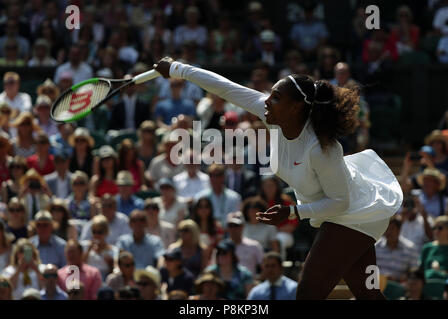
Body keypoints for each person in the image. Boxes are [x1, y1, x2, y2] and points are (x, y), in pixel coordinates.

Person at [153, 56, 402, 300]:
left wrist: (292, 212)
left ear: (296, 107)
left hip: (355, 212)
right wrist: (178, 69)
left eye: (276, 97)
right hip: (341, 212)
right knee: (367, 294)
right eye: (270, 95)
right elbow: (227, 88)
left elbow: (341, 202)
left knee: (307, 293)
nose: (267, 102)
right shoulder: (272, 115)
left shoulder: (321, 148)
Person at [194, 164, 242, 228]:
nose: (215, 178)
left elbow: (237, 220)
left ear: (223, 177)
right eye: (212, 175)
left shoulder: (235, 197)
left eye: (218, 175)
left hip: (228, 233)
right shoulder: (200, 197)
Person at [375, 216, 420, 282]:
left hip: (399, 287)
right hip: (376, 285)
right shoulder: (376, 247)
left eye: (392, 229)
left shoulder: (410, 249)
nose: (388, 232)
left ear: (399, 230)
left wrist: (397, 279)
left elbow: (413, 272)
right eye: (386, 229)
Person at [224, 211, 264, 275]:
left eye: (236, 226)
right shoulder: (222, 246)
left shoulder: (254, 246)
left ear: (243, 227)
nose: (233, 229)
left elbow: (265, 267)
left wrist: (257, 281)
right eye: (231, 226)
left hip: (249, 283)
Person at [81, 214, 118, 280]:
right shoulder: (85, 246)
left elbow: (115, 271)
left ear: (106, 232)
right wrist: (88, 250)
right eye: (94, 231)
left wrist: (110, 264)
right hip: (88, 278)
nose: (96, 235)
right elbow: (79, 266)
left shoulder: (114, 250)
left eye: (99, 232)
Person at [420, 215, 448, 281]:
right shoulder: (427, 248)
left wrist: (440, 272)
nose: (436, 231)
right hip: (426, 284)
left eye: (440, 228)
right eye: (434, 228)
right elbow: (421, 270)